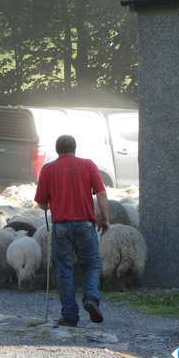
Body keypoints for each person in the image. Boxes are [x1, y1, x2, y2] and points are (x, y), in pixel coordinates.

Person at [34, 134, 110, 327]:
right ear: (75, 148)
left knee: (64, 271)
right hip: (85, 225)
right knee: (91, 265)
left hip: (61, 227)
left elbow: (42, 203)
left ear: (57, 150)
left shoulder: (48, 169)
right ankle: (91, 297)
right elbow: (101, 193)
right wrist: (105, 219)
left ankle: (69, 316)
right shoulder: (88, 165)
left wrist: (54, 202)